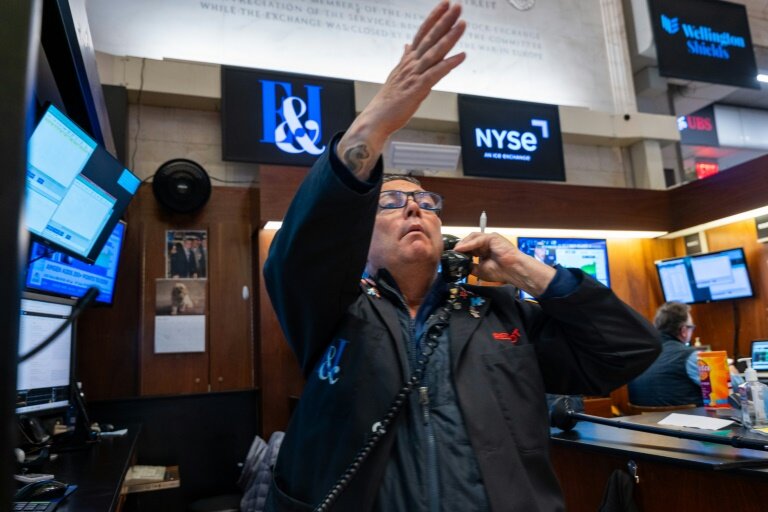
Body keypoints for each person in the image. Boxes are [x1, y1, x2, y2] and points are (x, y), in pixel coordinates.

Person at [263, 3, 661, 511]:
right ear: (356, 242)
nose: (414, 206)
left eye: (427, 204)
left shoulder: (502, 315)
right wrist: (375, 124)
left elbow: (629, 351)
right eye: (392, 201)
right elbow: (299, 255)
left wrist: (524, 270)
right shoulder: (332, 313)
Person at [628, 301, 741, 407]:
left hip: (643, 425)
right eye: (691, 327)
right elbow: (737, 388)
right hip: (687, 424)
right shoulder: (690, 357)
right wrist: (729, 368)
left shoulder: (638, 356)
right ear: (684, 331)